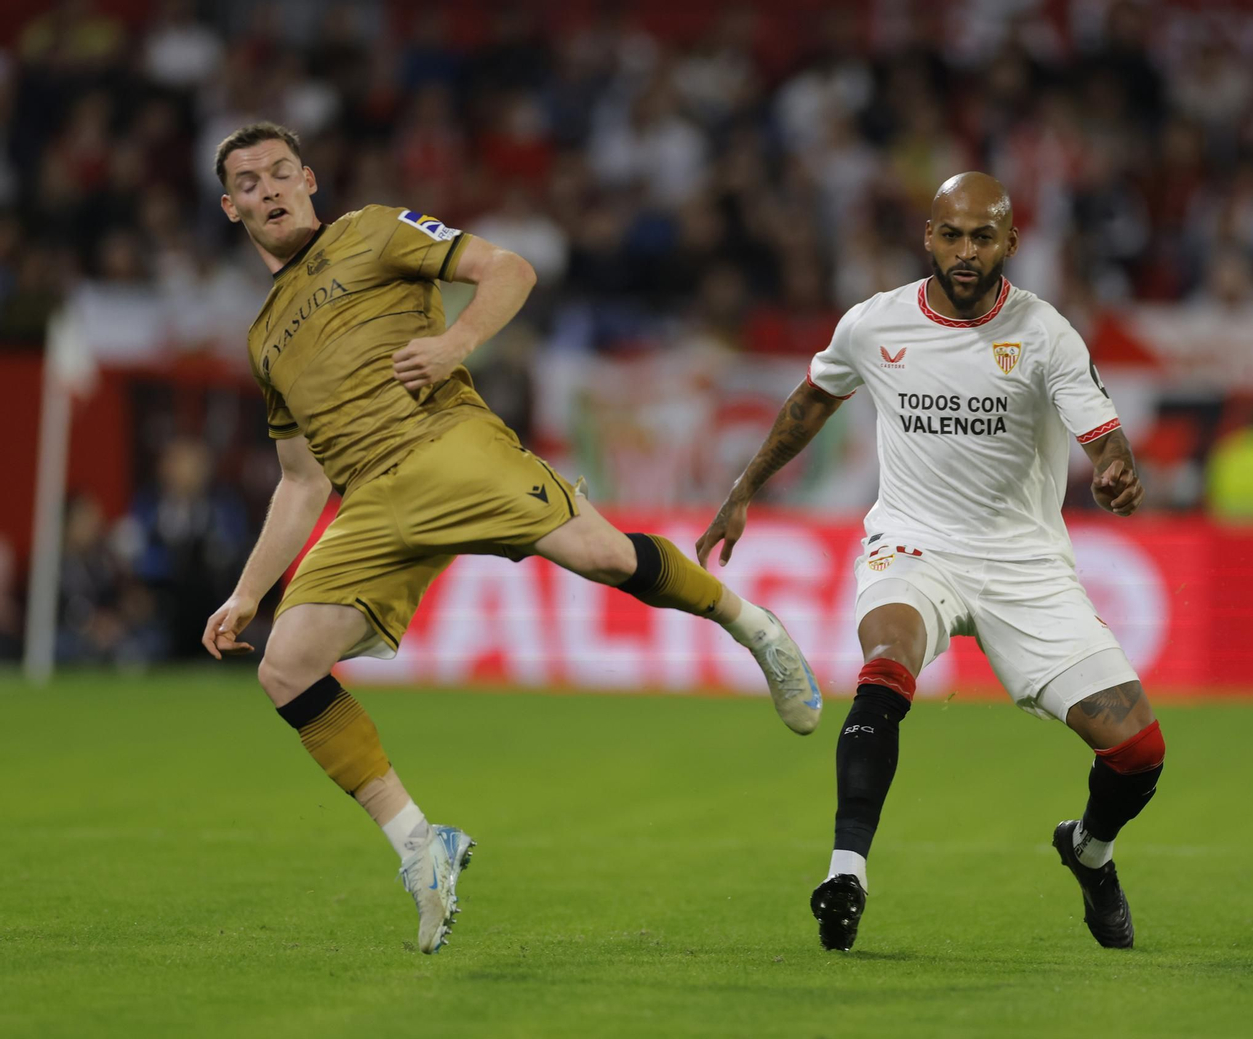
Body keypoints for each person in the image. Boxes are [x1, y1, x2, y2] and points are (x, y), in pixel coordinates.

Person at [202, 122, 822, 955]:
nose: (269, 189)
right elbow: (301, 479)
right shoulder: (263, 337)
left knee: (602, 555)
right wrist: (247, 593)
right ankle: (423, 846)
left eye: (282, 172)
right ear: (230, 206)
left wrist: (456, 341)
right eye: (250, 182)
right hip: (367, 504)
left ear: (311, 179)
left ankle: (752, 625)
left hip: (442, 444)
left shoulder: (372, 229)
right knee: (285, 662)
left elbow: (511, 267)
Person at [698, 173, 1164, 952]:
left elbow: (1101, 434)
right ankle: (847, 871)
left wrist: (1114, 467)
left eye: (983, 236)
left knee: (1138, 751)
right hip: (914, 543)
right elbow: (812, 398)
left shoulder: (1046, 333)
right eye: (952, 234)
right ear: (928, 236)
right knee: (886, 664)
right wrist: (745, 488)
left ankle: (1088, 849)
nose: (966, 251)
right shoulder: (874, 325)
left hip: (1024, 564)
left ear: (1010, 243)